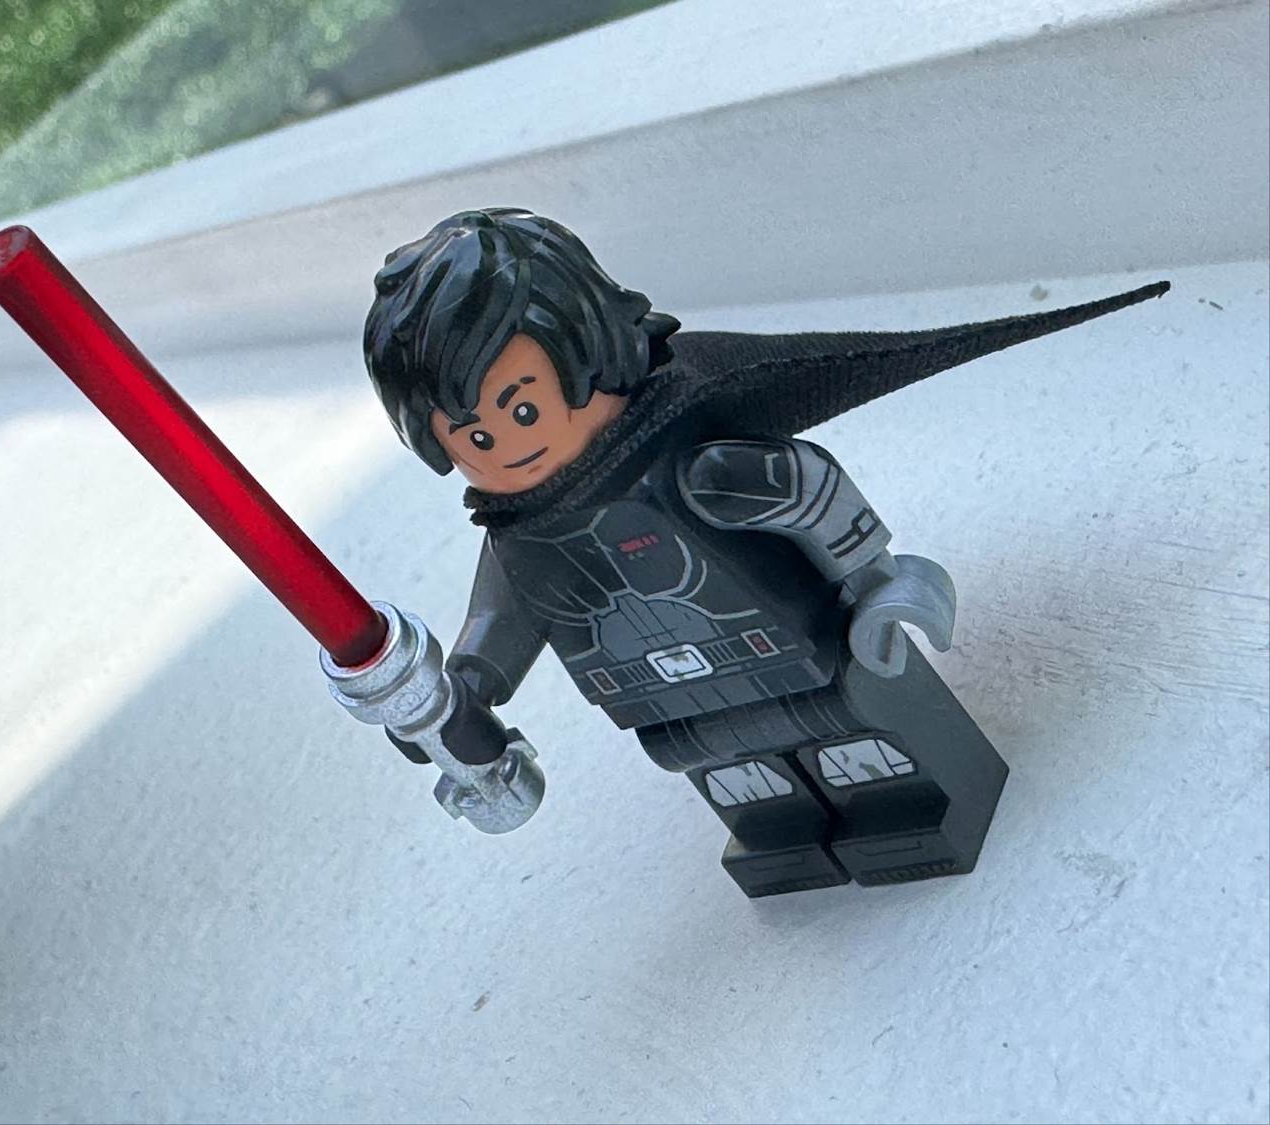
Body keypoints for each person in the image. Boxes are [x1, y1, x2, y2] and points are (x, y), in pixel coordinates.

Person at [363, 207, 1166, 896]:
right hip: (669, 708)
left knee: (861, 738)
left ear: (591, 353)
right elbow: (500, 619)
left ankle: (912, 812)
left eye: (521, 411)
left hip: (799, 657)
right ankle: (783, 836)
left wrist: (877, 585)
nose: (507, 445)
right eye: (474, 438)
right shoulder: (520, 540)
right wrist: (461, 692)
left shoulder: (701, 466)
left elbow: (811, 491)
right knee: (737, 777)